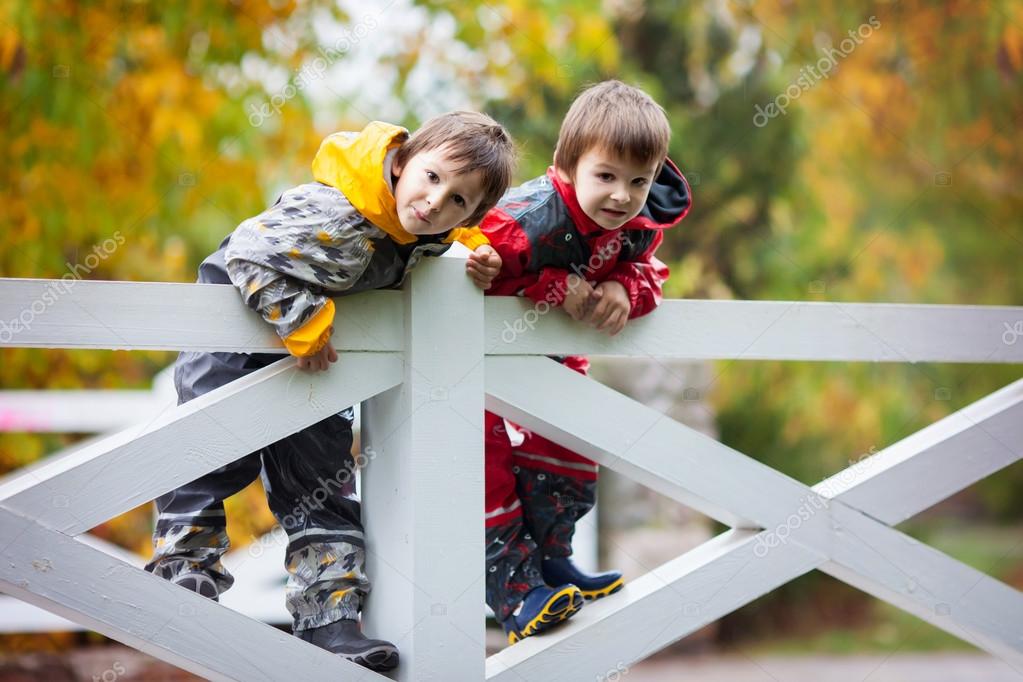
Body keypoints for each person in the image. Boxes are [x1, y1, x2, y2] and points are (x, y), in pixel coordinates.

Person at [145, 111, 515, 671]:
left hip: (318, 367)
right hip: (239, 337)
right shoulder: (339, 213)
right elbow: (247, 251)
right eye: (433, 177)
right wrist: (306, 322)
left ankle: (332, 623)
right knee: (211, 457)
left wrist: (478, 249)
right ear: (403, 160)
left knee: (323, 487)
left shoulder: (418, 227)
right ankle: (183, 574)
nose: (437, 203)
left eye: (460, 201)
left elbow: (439, 238)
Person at [480, 80, 691, 644]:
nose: (623, 196)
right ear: (567, 167)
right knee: (489, 474)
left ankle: (554, 561)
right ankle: (515, 594)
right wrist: (549, 283)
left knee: (570, 458)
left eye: (639, 181)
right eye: (607, 176)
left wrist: (626, 285)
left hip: (557, 368)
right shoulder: (524, 217)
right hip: (485, 370)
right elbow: (466, 261)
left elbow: (653, 274)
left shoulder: (636, 230)